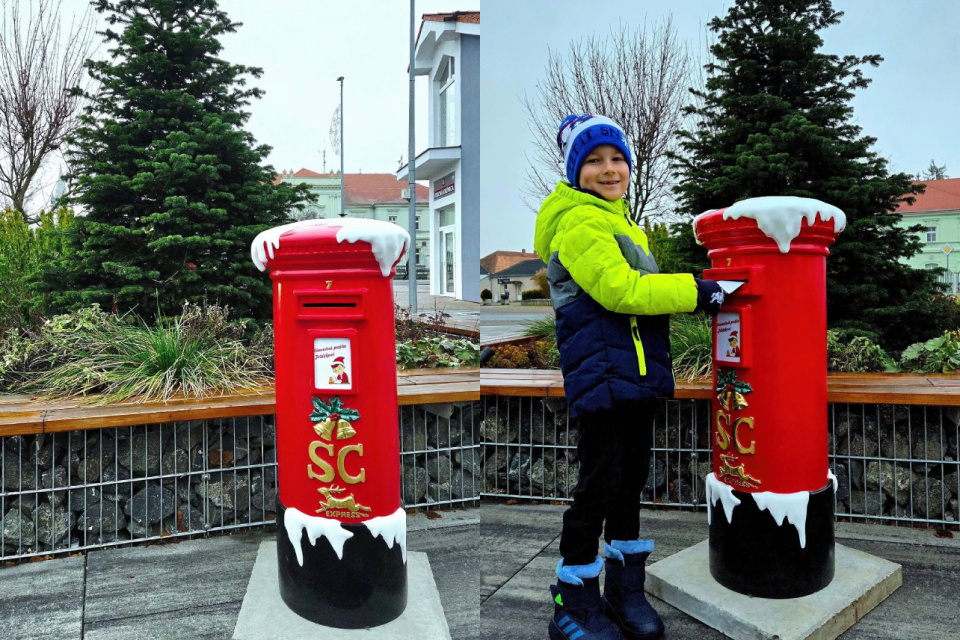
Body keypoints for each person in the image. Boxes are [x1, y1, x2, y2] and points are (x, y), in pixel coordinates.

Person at [533, 114, 725, 640]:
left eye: (616, 158)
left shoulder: (620, 221)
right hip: (602, 375)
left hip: (635, 373)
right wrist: (699, 291)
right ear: (575, 171)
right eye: (593, 160)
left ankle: (624, 589)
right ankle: (571, 603)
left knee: (629, 483)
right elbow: (623, 291)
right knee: (597, 486)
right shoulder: (579, 223)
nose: (609, 168)